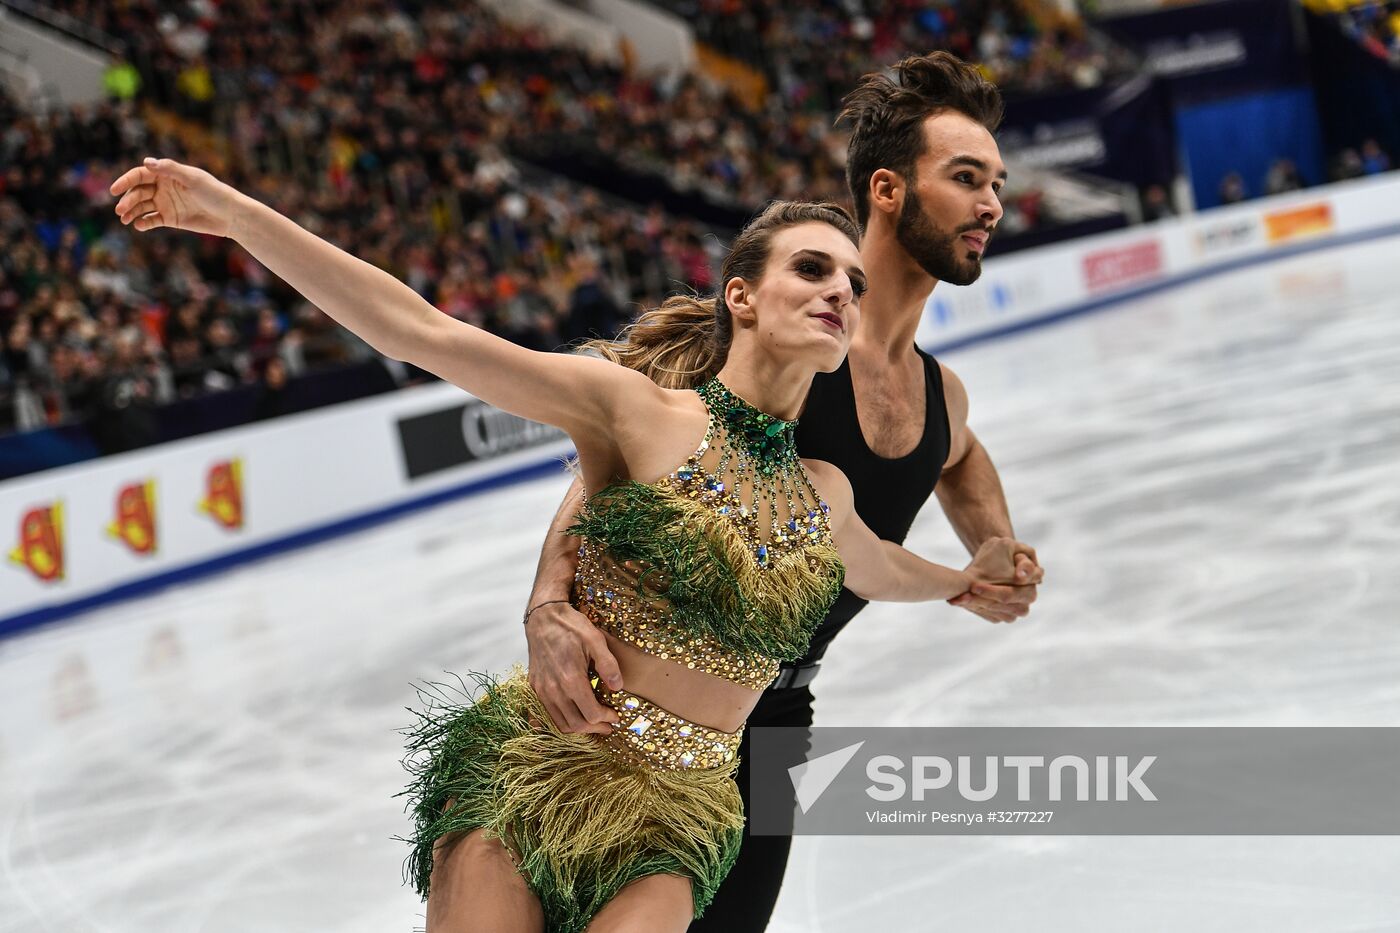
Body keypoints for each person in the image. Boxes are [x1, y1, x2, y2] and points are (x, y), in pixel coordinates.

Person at [109, 159, 1040, 932]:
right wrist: (231, 214)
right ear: (742, 296)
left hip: (685, 815)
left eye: (851, 281)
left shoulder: (824, 495)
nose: (840, 289)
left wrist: (966, 577)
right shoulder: (639, 411)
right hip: (544, 768)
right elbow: (421, 331)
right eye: (811, 270)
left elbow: (882, 567)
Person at [521, 52, 1043, 932]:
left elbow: (957, 454)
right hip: (644, 706)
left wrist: (995, 546)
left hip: (776, 722)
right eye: (966, 179)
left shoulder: (939, 392)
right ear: (887, 190)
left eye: (996, 181)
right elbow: (616, 456)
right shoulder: (782, 339)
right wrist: (544, 599)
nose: (993, 204)